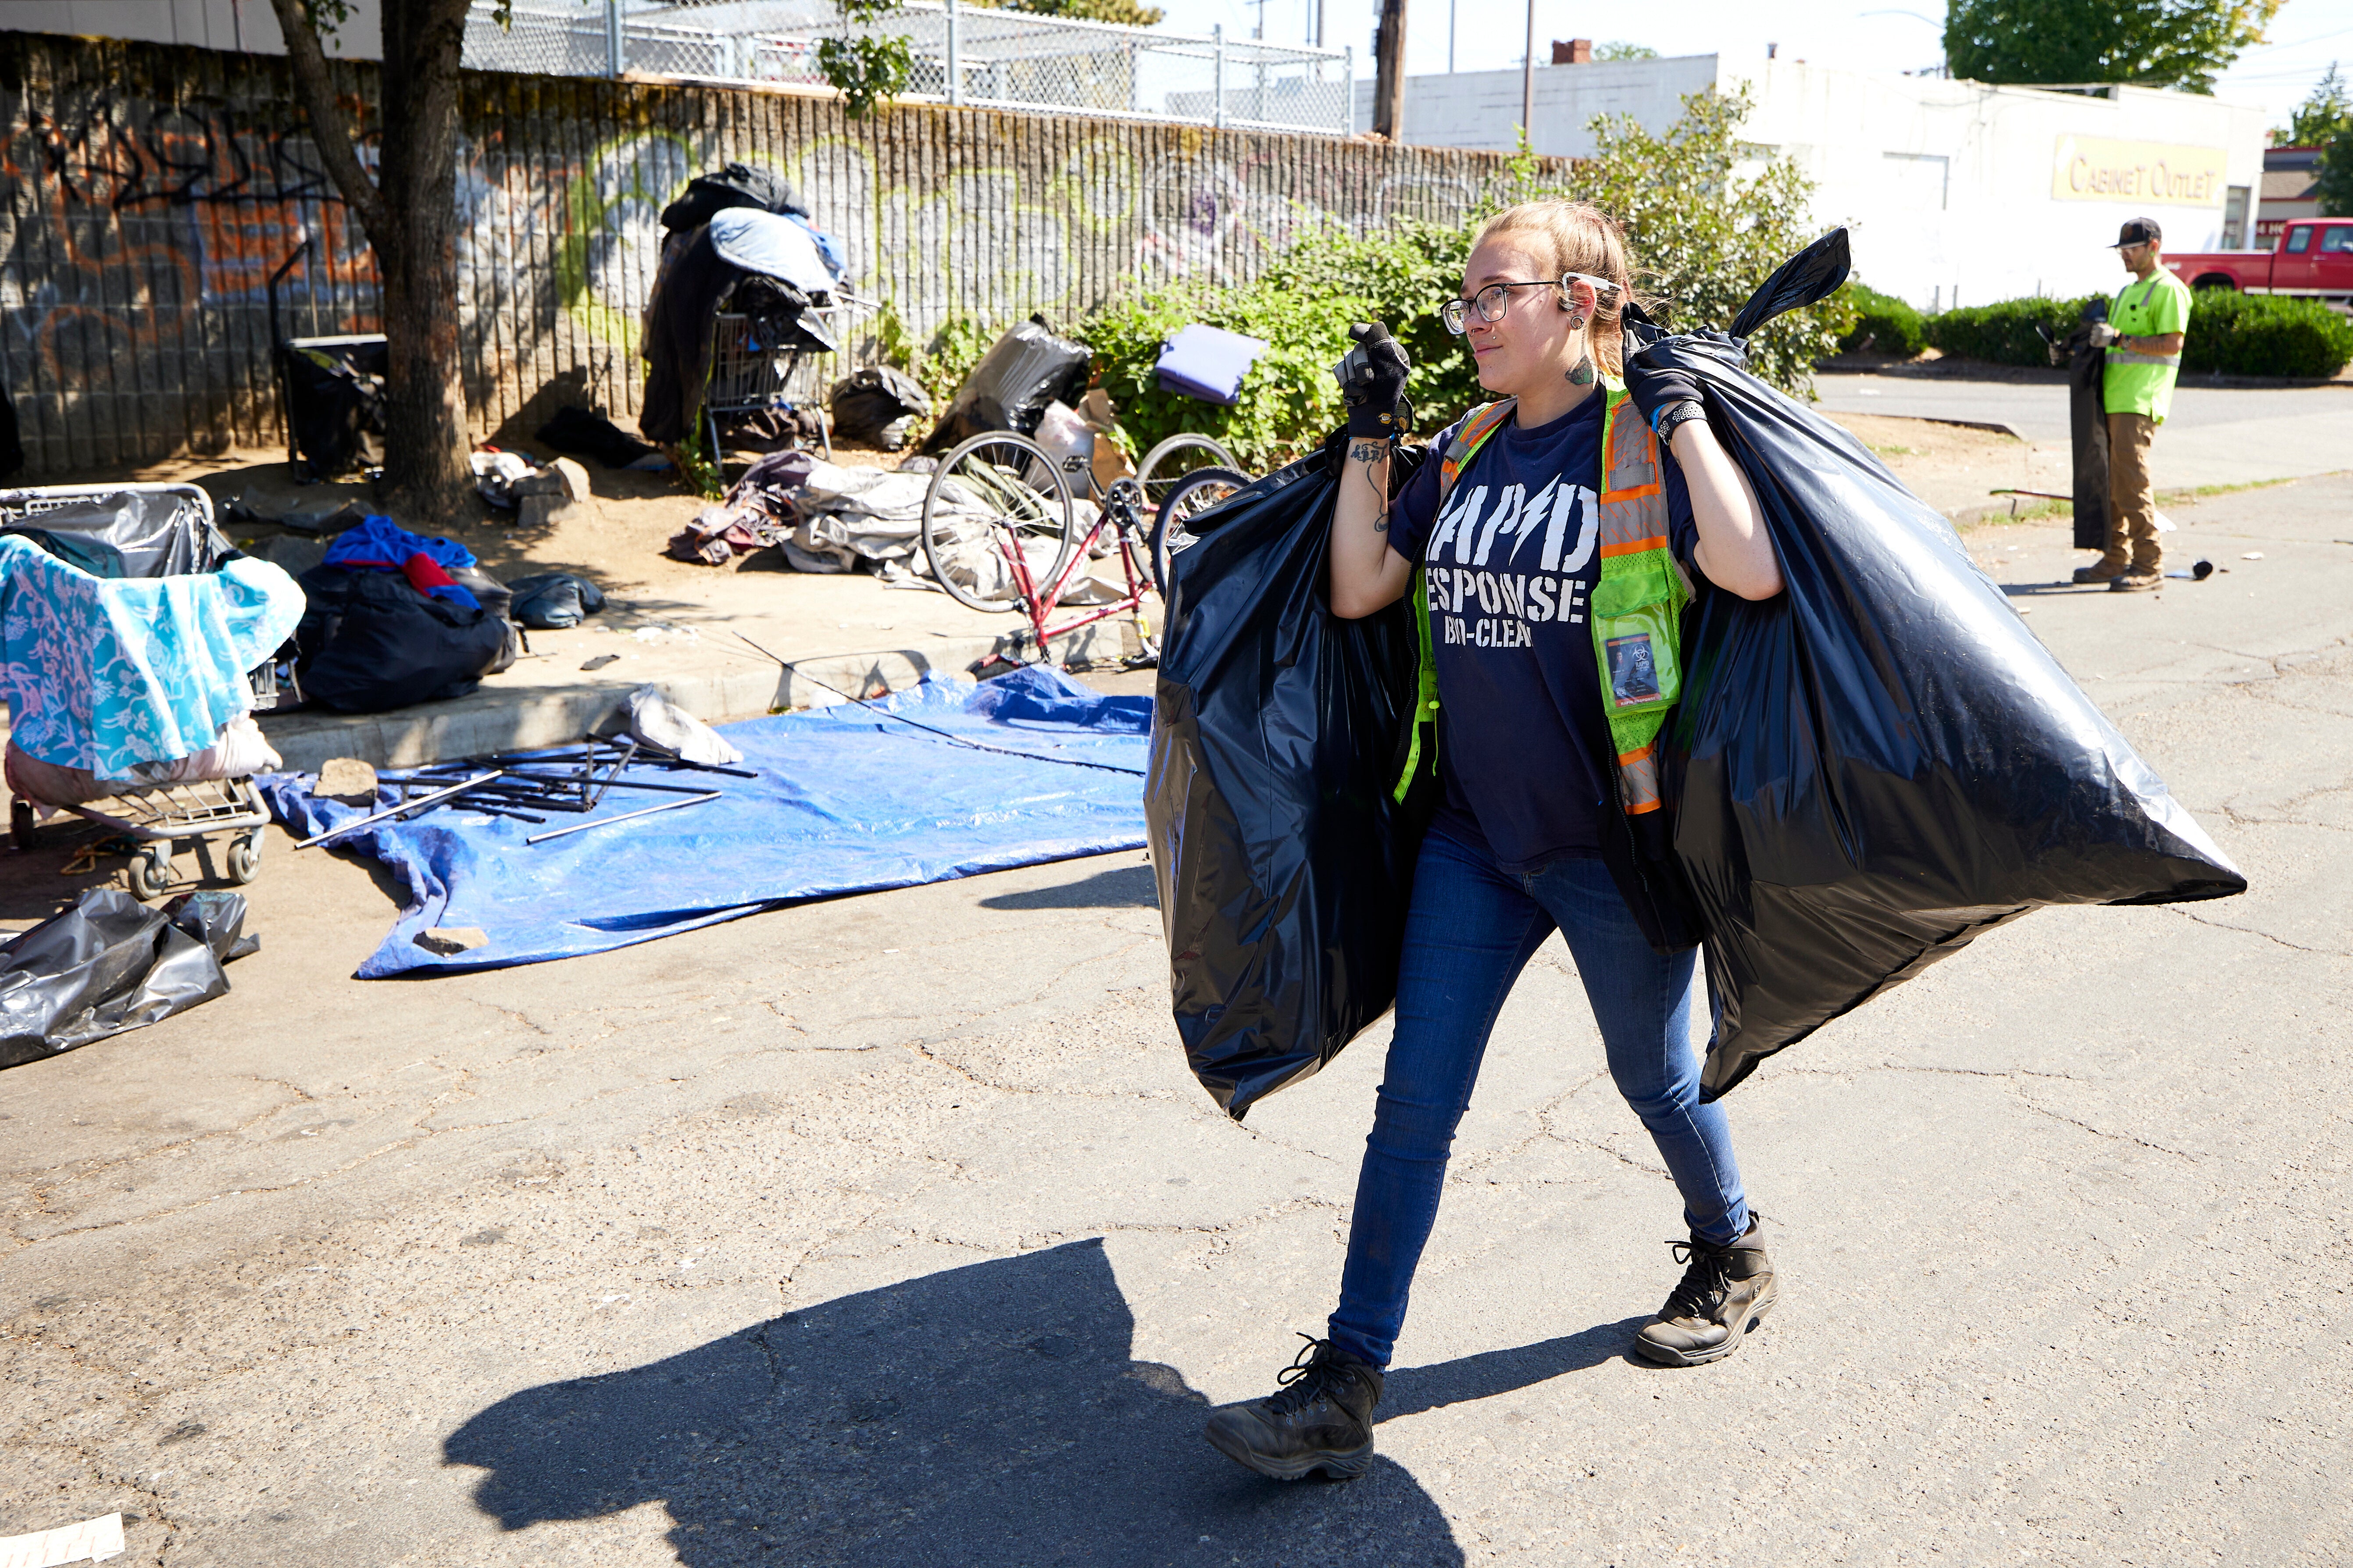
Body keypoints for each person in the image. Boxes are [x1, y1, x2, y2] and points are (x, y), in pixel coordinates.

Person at [1201, 200, 1785, 1484]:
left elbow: (1746, 570)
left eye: (1494, 293)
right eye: (1465, 295)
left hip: (1613, 845)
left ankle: (1733, 1242)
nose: (1469, 317)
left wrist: (1685, 410)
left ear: (1578, 303)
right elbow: (1362, 585)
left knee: (1657, 1079)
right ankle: (1347, 1381)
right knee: (1414, 1109)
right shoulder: (1463, 449)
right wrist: (1369, 435)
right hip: (1474, 838)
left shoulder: (1642, 445)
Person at [2073, 216, 2192, 593]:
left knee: (2131, 482)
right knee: (2111, 483)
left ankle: (2148, 562)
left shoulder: (2168, 291)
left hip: (2140, 400)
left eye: (2131, 249)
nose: (2124, 255)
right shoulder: (2127, 293)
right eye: (2121, 249)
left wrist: (2121, 339)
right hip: (2113, 398)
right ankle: (2114, 558)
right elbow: (2114, 343)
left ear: (2153, 247)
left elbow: (2172, 343)